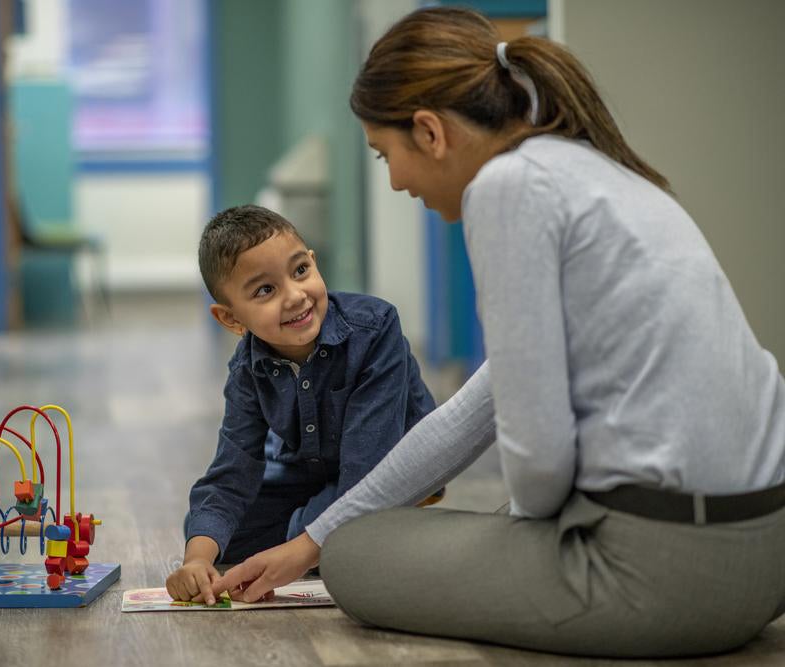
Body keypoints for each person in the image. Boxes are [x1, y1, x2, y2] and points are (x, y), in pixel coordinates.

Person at [212, 6, 785, 658]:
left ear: (428, 131)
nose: (396, 181)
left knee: (357, 555)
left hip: (661, 579)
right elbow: (470, 412)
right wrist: (309, 538)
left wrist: (336, 545)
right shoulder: (597, 168)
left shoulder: (508, 188)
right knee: (348, 535)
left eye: (385, 154)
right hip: (769, 559)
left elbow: (539, 474)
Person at [166, 204, 436, 605]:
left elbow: (368, 469)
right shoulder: (247, 367)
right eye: (264, 290)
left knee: (322, 528)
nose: (295, 297)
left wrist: (302, 538)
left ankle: (339, 526)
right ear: (230, 318)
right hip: (311, 472)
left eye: (299, 272)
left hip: (383, 469)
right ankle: (318, 530)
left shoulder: (375, 329)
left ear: (313, 262)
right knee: (214, 531)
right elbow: (232, 471)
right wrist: (197, 559)